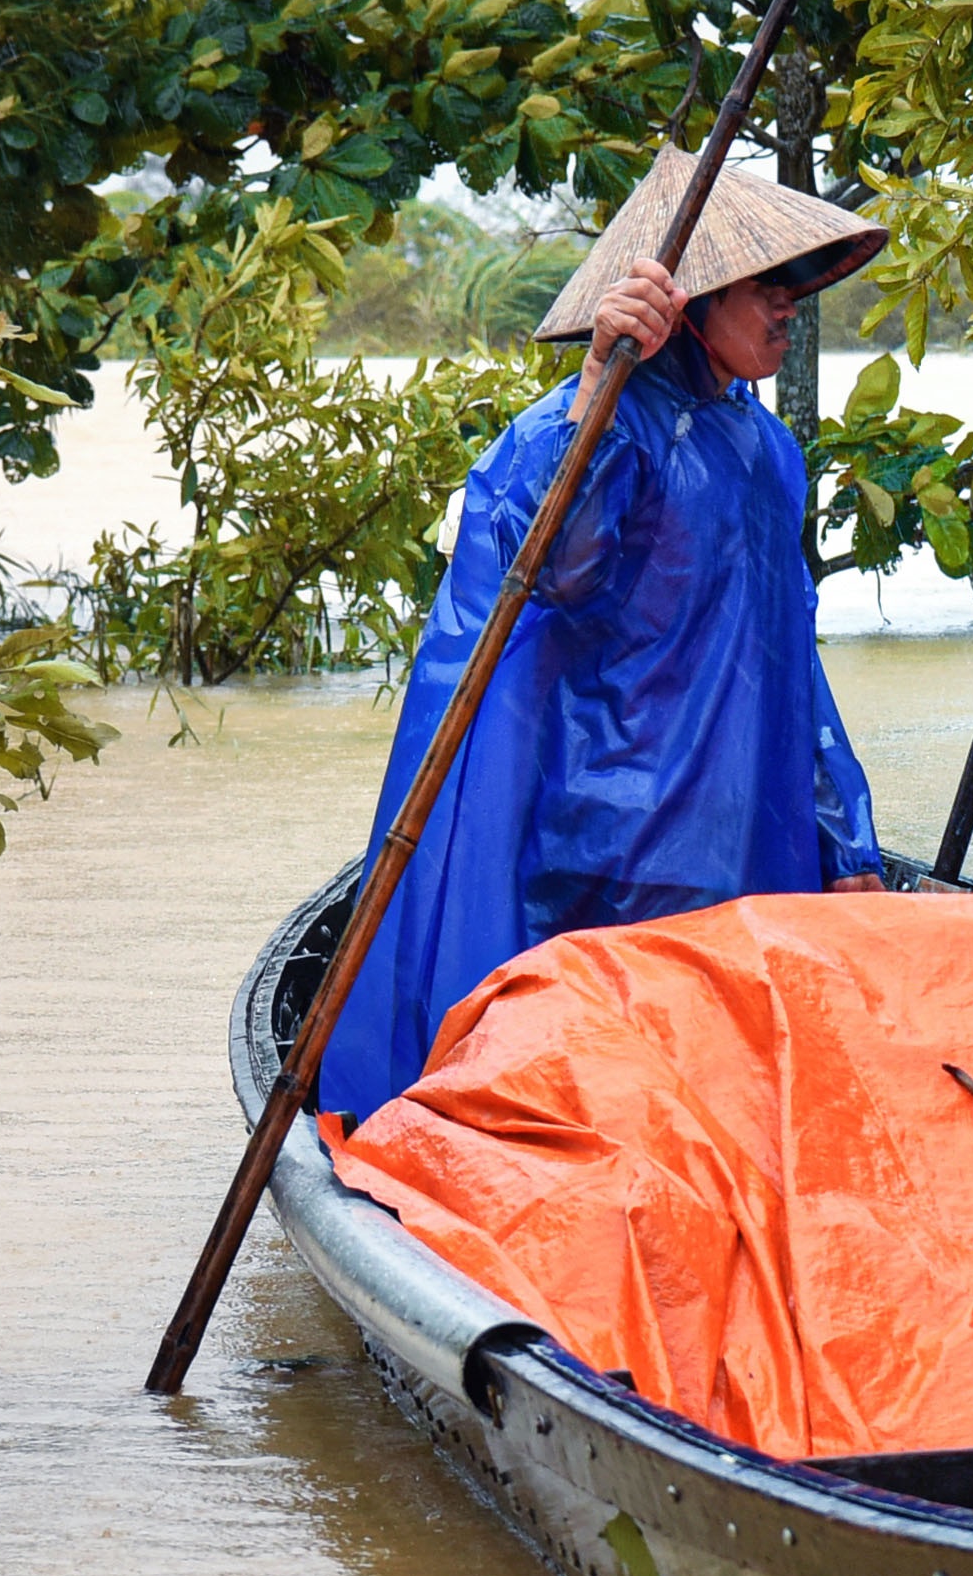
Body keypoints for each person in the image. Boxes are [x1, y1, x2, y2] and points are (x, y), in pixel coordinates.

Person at [312, 150, 892, 1120]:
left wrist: (845, 836)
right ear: (693, 301)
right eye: (766, 284)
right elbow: (550, 569)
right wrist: (593, 386)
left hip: (738, 834)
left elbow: (790, 659)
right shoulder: (592, 426)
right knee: (613, 1100)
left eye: (794, 283)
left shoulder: (762, 445)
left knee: (716, 1108)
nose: (789, 305)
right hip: (608, 842)